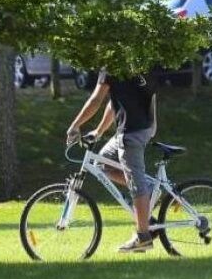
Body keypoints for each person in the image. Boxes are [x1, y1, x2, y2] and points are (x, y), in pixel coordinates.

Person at [66, 66, 160, 253]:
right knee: (101, 162)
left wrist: (75, 126)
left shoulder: (111, 66)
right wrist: (99, 131)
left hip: (132, 131)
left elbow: (96, 100)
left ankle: (143, 237)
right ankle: (147, 197)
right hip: (144, 125)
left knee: (136, 183)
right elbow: (115, 101)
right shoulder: (132, 60)